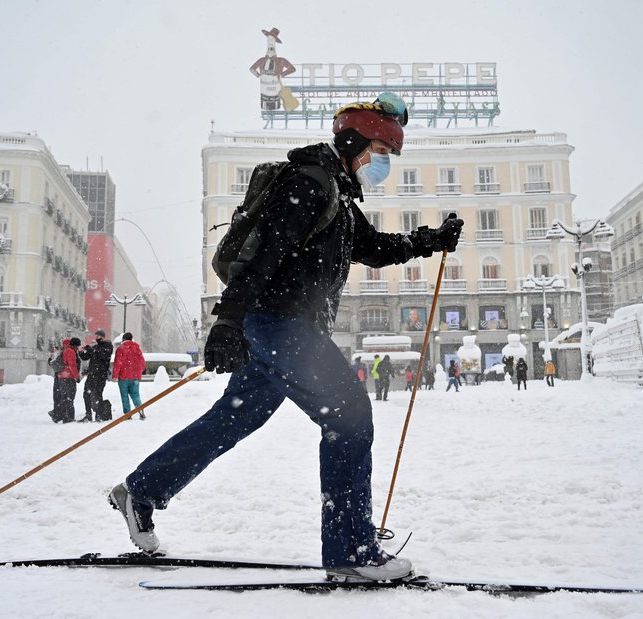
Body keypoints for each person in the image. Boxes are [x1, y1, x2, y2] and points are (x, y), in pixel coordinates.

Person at [107, 93, 464, 583]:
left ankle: (141, 490)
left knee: (233, 419)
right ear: (354, 140)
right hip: (279, 322)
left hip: (280, 326)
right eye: (379, 153)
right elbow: (263, 255)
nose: (381, 166)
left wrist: (428, 240)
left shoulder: (337, 191)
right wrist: (228, 320)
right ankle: (351, 551)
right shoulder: (309, 182)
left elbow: (373, 248)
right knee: (349, 416)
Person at [79, 329, 114, 422]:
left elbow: (104, 355)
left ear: (103, 337)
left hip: (101, 375)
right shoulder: (95, 347)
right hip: (92, 374)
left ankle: (98, 415)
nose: (97, 338)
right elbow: (85, 357)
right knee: (86, 394)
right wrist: (82, 352)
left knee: (98, 394)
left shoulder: (108, 346)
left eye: (98, 336)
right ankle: (88, 414)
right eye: (96, 336)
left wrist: (92, 350)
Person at [111, 332, 146, 420]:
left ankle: (127, 414)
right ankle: (140, 410)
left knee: (124, 396)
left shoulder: (121, 348)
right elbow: (142, 363)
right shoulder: (137, 348)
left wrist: (115, 375)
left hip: (123, 377)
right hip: (135, 377)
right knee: (136, 395)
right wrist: (138, 372)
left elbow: (118, 363)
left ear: (123, 339)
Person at [49, 338, 81, 424]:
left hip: (62, 377)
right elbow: (72, 365)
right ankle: (67, 417)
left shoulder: (66, 350)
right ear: (76, 345)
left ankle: (58, 414)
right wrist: (77, 377)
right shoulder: (70, 351)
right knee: (69, 397)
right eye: (78, 346)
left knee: (65, 397)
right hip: (68, 377)